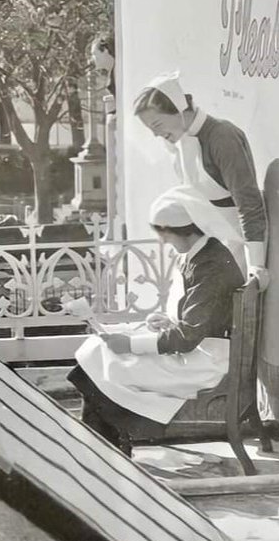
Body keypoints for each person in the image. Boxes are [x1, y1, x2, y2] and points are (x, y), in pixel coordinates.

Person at [69, 186, 245, 444]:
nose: (162, 242)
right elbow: (199, 318)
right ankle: (107, 443)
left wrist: (130, 344)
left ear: (187, 230)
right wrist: (168, 320)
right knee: (96, 354)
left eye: (165, 235)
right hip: (196, 350)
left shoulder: (211, 266)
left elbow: (188, 337)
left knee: (103, 366)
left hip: (206, 362)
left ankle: (106, 446)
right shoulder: (198, 255)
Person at [133, 71, 268, 289]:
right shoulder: (180, 144)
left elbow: (249, 204)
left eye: (157, 124)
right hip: (212, 247)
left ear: (178, 109)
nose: (156, 135)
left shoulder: (222, 136)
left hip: (239, 247)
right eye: (151, 129)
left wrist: (257, 266)